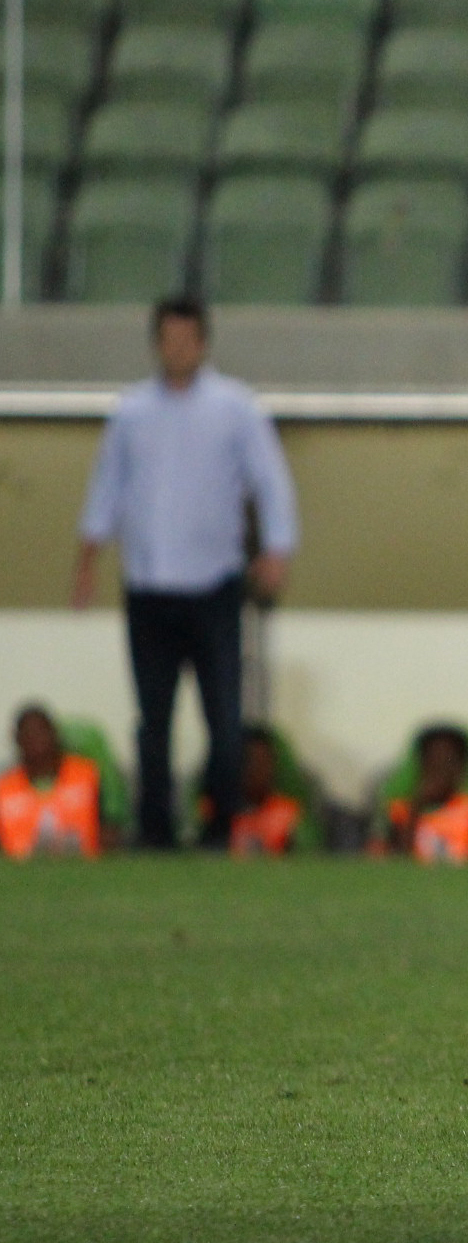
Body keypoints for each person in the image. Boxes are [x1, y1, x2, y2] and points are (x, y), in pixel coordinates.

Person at [73, 297, 298, 850]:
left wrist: (277, 550)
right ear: (156, 344)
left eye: (187, 340)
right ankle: (156, 827)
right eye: (168, 340)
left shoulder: (235, 408)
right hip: (149, 587)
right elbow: (107, 487)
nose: (177, 350)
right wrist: (88, 560)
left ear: (203, 344)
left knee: (223, 715)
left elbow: (271, 481)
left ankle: (220, 823)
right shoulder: (132, 412)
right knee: (153, 719)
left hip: (214, 585)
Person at [377, 725, 468, 864]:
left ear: (462, 768)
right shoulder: (399, 810)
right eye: (433, 761)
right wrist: (417, 808)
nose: (440, 770)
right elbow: (393, 857)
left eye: (448, 761)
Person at [1, 705, 104, 860]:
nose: (35, 740)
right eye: (28, 735)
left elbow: (110, 827)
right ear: (17, 739)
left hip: (85, 866)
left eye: (40, 732)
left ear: (54, 734)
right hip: (23, 870)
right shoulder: (4, 788)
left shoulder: (87, 775)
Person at [227, 726, 304, 858]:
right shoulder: (221, 812)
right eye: (251, 762)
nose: (257, 770)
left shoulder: (288, 813)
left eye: (263, 762)